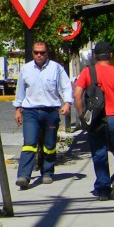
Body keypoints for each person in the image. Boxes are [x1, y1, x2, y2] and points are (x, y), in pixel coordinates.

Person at [74, 41, 114, 200]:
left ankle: (102, 190)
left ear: (95, 56)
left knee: (99, 153)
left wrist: (83, 116)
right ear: (111, 55)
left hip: (96, 119)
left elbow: (77, 95)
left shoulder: (88, 72)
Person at [13, 41, 73, 188]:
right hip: (31, 112)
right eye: (36, 52)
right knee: (29, 143)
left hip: (50, 111)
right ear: (33, 53)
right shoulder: (26, 69)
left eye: (42, 52)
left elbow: (66, 87)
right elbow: (20, 90)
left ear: (47, 53)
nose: (39, 55)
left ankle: (47, 172)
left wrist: (67, 103)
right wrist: (18, 109)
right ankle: (23, 176)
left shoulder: (56, 68)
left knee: (49, 144)